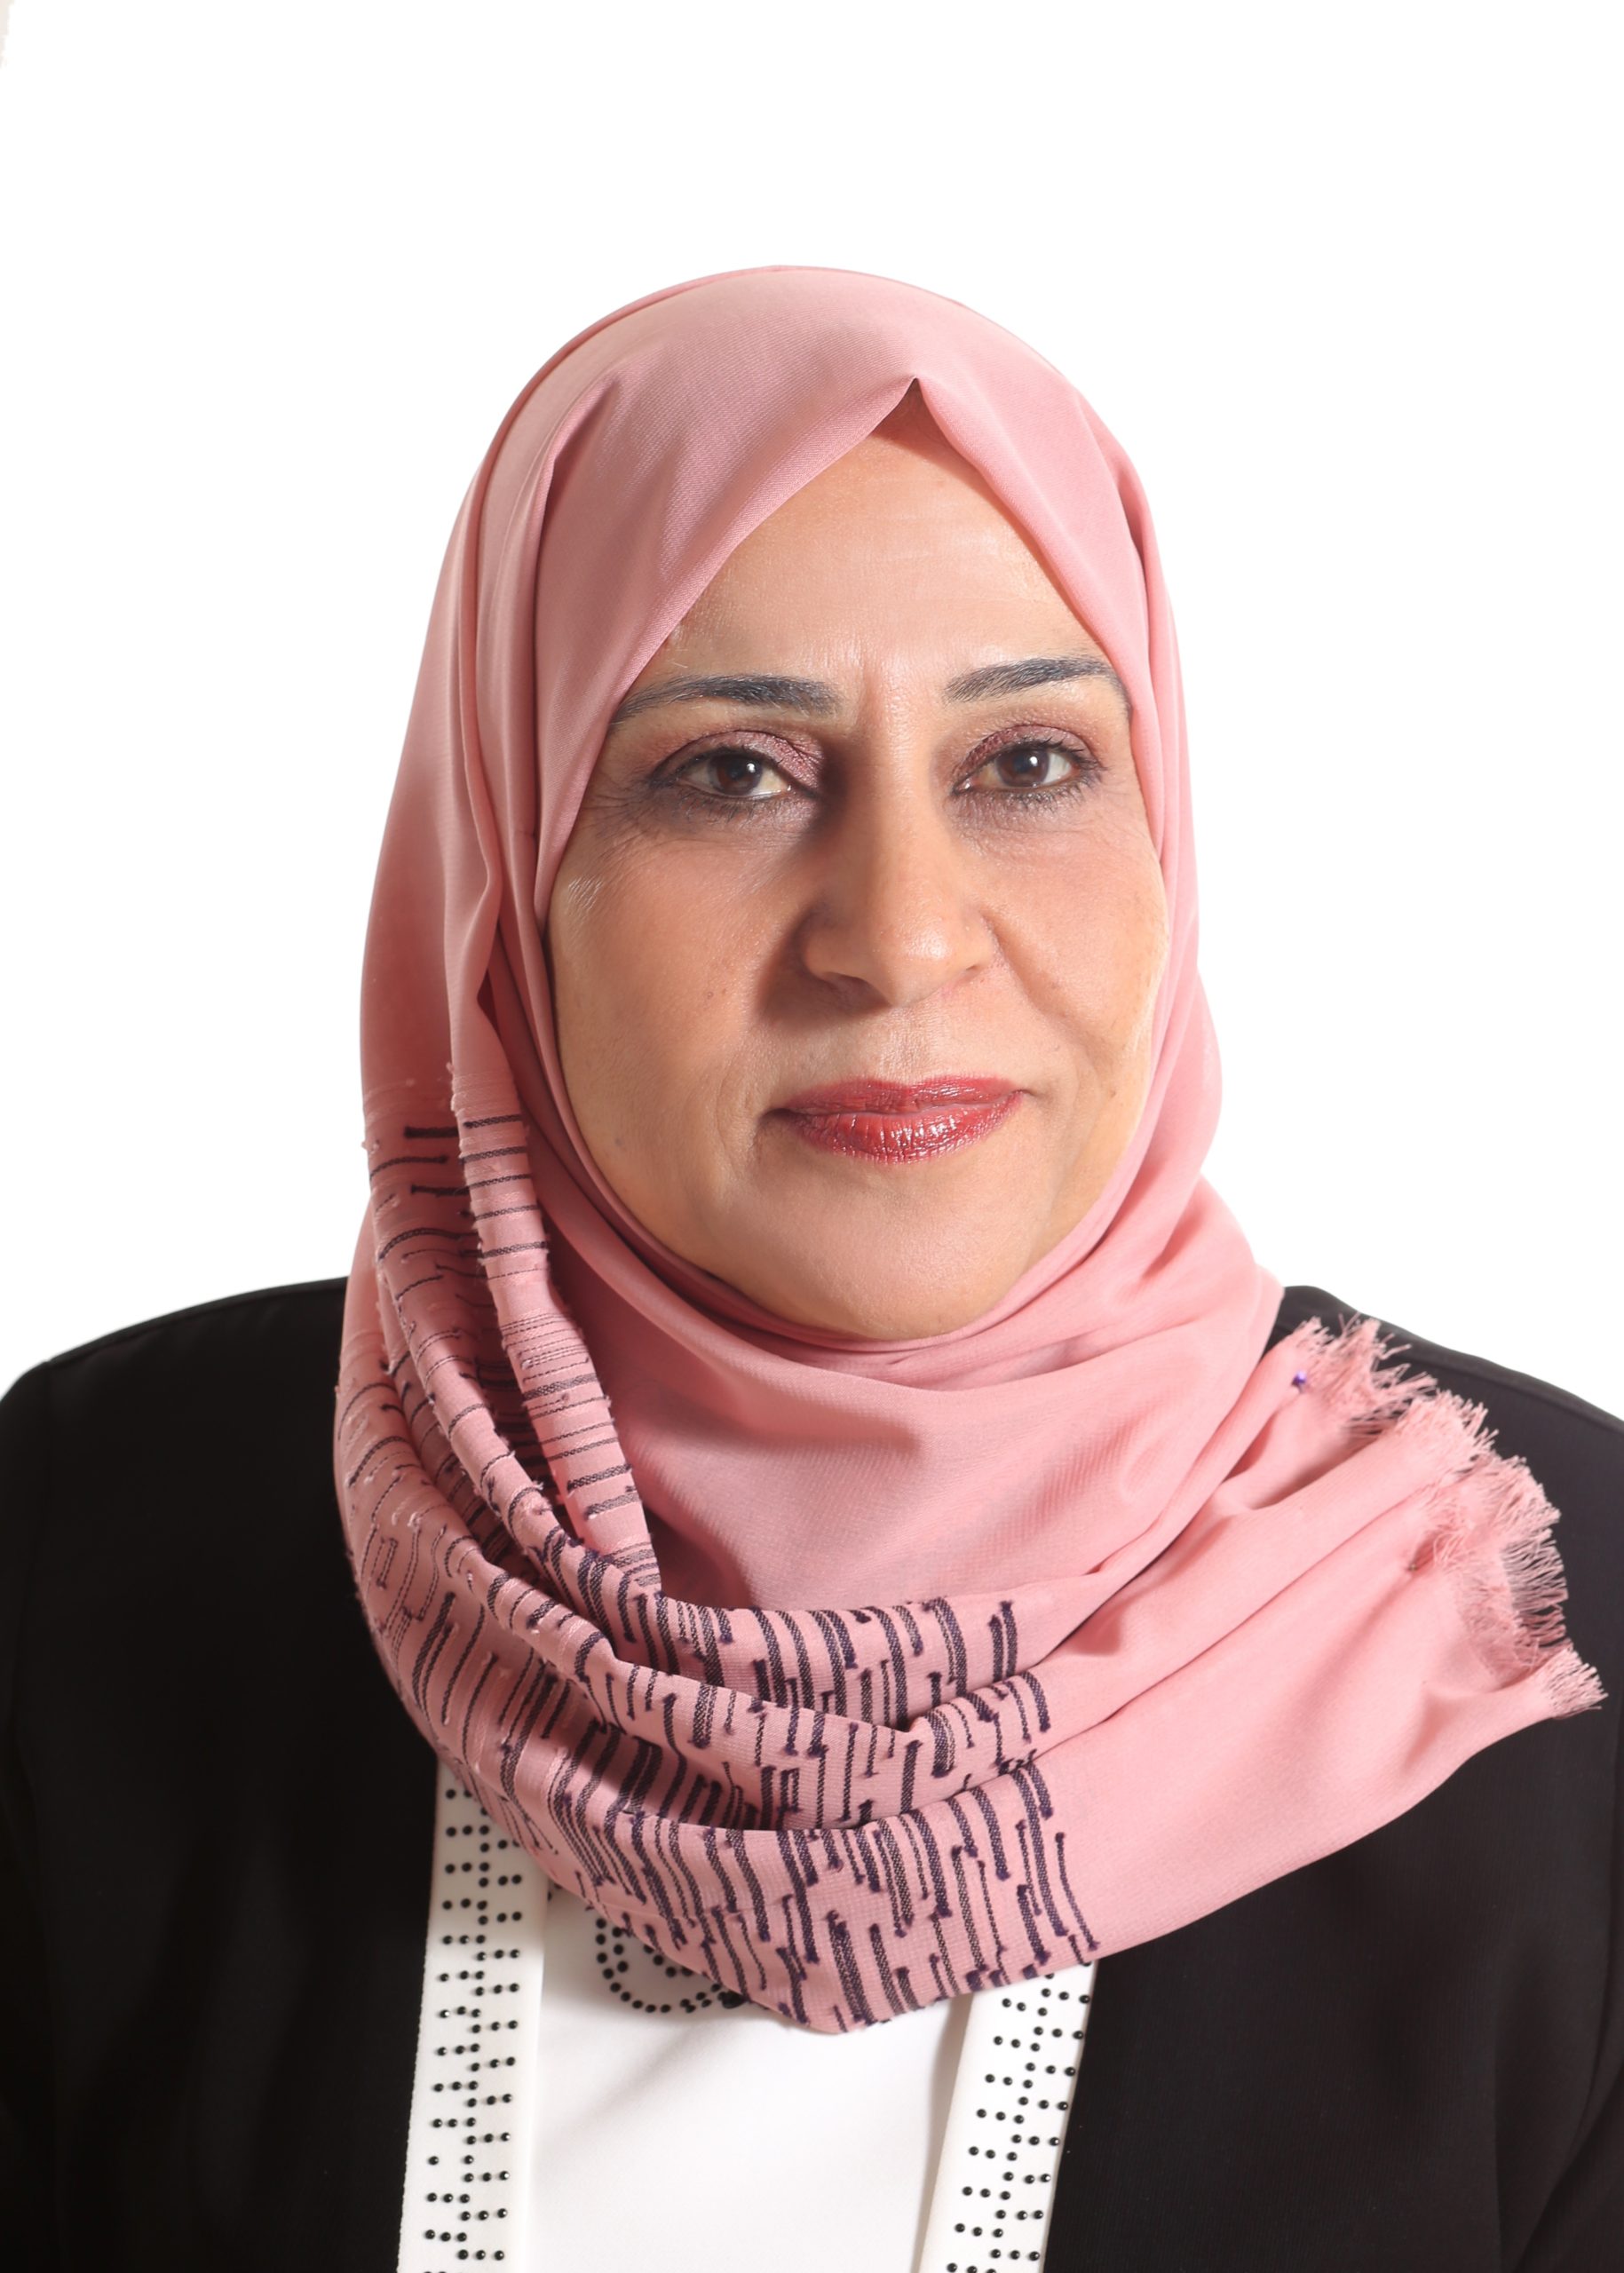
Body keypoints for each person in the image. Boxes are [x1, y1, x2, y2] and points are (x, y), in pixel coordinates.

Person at [2, 265, 1620, 2273]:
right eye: (731, 772)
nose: (900, 934)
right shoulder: (83, 1551)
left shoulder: (1521, 1618)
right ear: (510, 880)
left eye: (1027, 762)